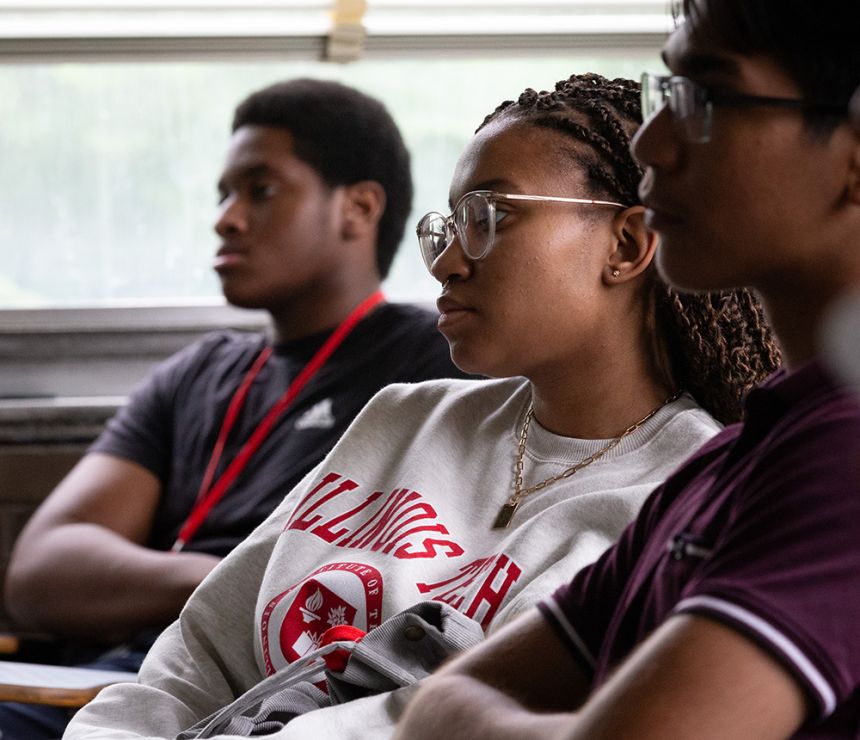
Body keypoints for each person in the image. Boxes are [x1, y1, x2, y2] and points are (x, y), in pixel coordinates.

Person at [62, 71, 781, 739]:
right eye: (444, 227)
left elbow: (456, 713)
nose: (446, 261)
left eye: (489, 215)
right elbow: (197, 654)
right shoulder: (401, 419)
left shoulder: (688, 488)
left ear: (626, 244)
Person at [395, 2, 860, 738]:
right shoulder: (730, 462)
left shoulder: (843, 458)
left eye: (706, 96)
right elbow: (434, 702)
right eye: (663, 96)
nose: (652, 143)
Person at [0, 78, 467, 739]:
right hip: (117, 678)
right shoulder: (196, 373)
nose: (225, 216)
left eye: (260, 189)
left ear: (357, 209)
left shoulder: (429, 365)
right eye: (222, 193)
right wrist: (221, 581)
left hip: (267, 696)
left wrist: (177, 588)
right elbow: (44, 570)